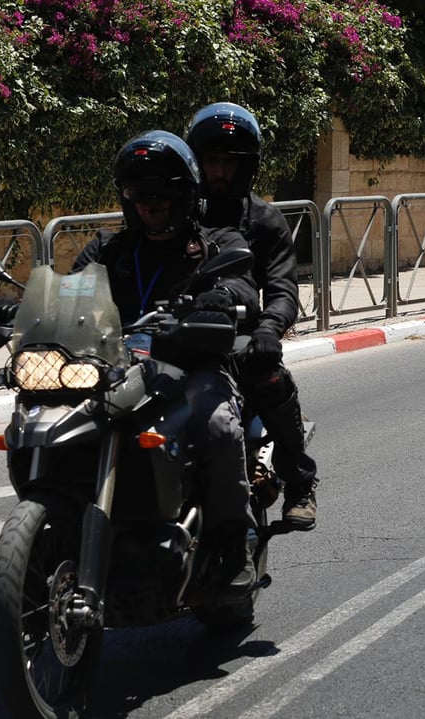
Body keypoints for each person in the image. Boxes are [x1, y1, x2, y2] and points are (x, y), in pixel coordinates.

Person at [72, 129, 260, 597]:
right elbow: (70, 288)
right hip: (117, 371)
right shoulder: (108, 250)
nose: (151, 202)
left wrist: (222, 297)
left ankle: (233, 542)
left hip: (190, 366)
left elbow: (242, 286)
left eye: (163, 190)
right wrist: (17, 310)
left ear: (186, 193)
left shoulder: (214, 243)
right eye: (139, 192)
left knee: (218, 425)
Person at [186, 102, 319, 531]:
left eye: (229, 163)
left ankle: (300, 481)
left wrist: (269, 328)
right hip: (178, 332)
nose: (219, 171)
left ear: (246, 167)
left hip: (240, 336)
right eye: (212, 161)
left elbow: (282, 287)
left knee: (268, 374)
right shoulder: (179, 214)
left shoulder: (265, 220)